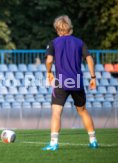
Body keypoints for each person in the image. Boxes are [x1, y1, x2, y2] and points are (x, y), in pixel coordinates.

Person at [43, 15, 98, 150]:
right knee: (83, 110)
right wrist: (93, 77)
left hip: (61, 81)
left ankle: (53, 143)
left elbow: (49, 60)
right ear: (70, 28)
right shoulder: (79, 42)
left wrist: (49, 72)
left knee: (56, 112)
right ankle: (93, 141)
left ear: (57, 29)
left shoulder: (54, 42)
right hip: (77, 81)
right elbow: (89, 59)